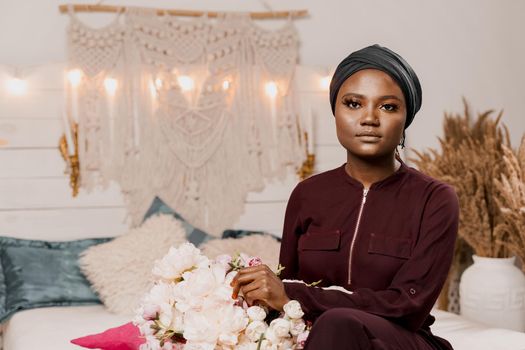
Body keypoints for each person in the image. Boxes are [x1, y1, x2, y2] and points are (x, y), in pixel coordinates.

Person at [231, 44, 459, 349]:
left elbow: (408, 305)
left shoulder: (435, 199)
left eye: (388, 107)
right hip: (318, 338)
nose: (369, 118)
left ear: (406, 118)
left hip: (401, 341)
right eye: (353, 104)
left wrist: (294, 296)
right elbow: (287, 291)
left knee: (338, 321)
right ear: (335, 112)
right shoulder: (307, 195)